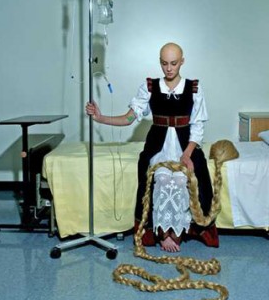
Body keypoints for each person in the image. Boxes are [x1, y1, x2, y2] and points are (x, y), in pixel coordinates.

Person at [85, 42, 218, 252]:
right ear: (160, 62)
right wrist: (101, 118)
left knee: (183, 180)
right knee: (162, 179)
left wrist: (187, 154)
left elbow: (198, 126)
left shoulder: (194, 88)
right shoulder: (149, 87)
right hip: (158, 147)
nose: (169, 68)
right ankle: (163, 234)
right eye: (164, 63)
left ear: (182, 62)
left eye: (174, 63)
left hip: (185, 148)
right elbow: (129, 118)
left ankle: (178, 232)